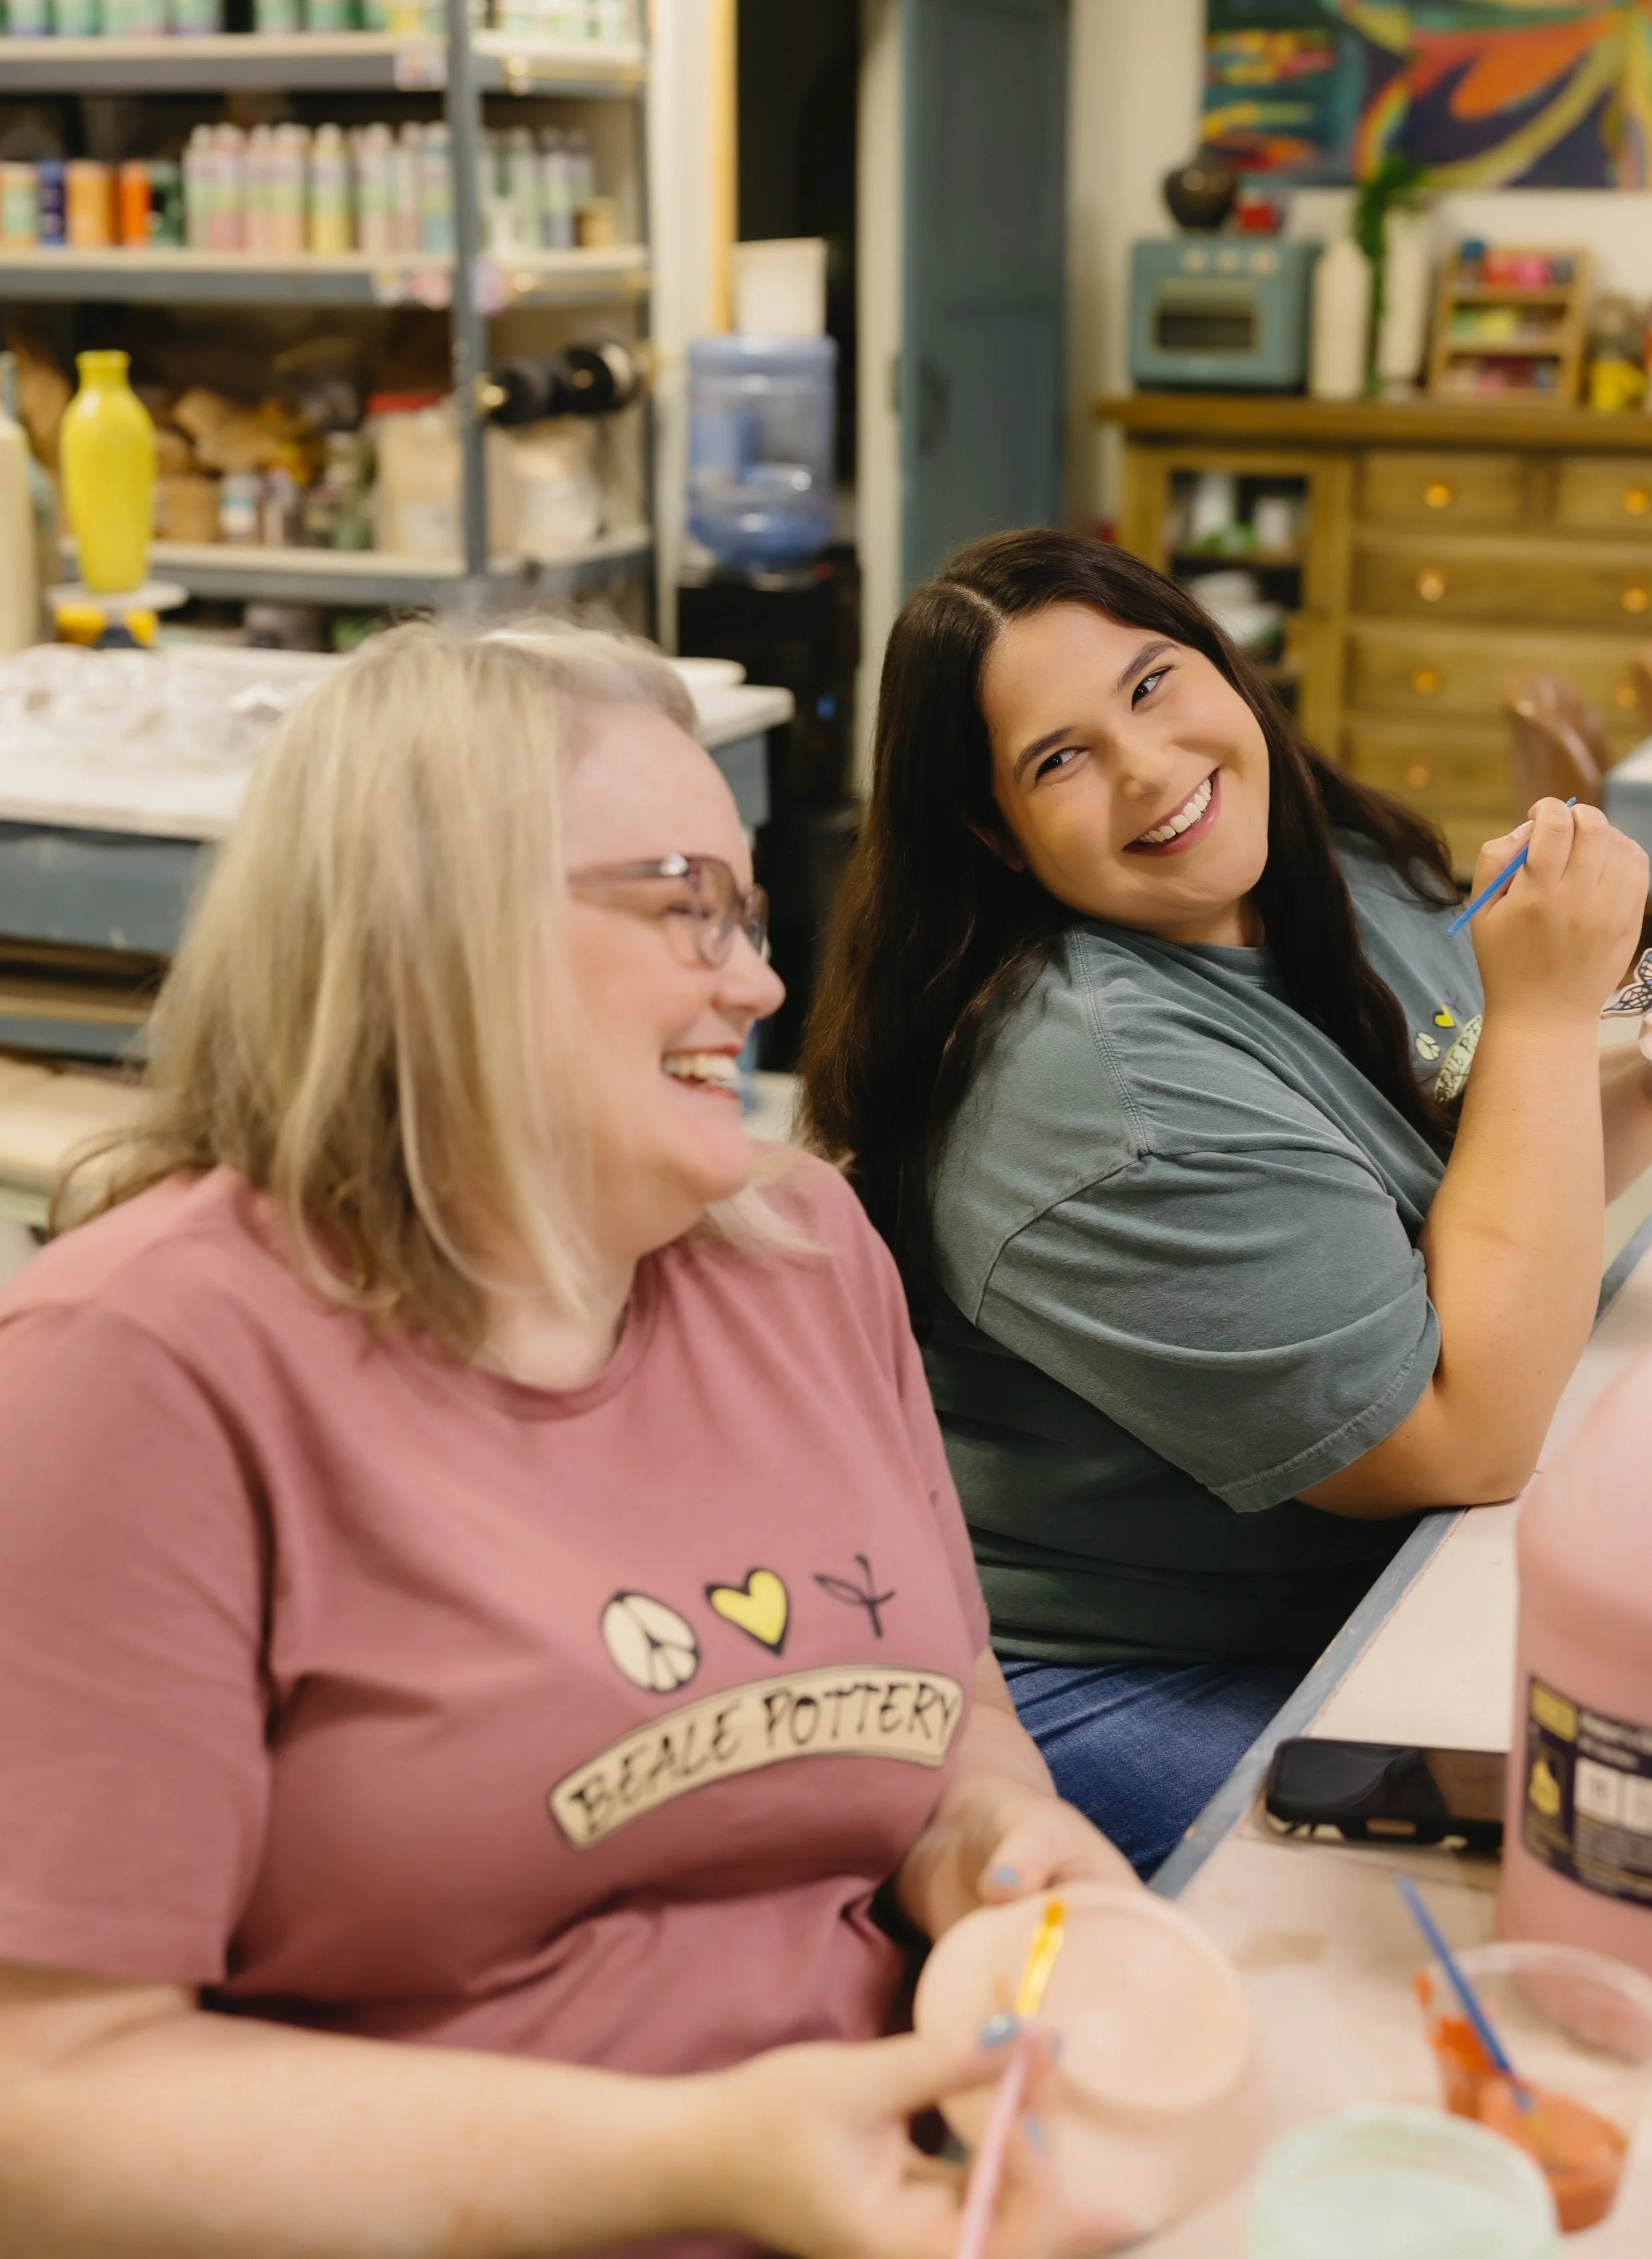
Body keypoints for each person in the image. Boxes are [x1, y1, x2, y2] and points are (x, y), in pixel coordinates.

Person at [0, 623, 1137, 2259]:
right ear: (430, 923)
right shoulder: (142, 1369)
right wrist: (701, 2159)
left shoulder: (807, 1256)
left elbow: (948, 1699)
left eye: (748, 915)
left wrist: (989, 1841)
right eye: (685, 902)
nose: (755, 982)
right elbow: (49, 2107)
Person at [800, 528, 1652, 1875]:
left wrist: (1646, 1083)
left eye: (1150, 686)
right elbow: (1457, 1437)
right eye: (1058, 759)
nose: (1149, 768)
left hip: (1366, 1582)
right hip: (1130, 1670)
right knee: (1565, 1871)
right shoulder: (1101, 1097)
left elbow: (1465, 1199)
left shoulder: (1317, 869)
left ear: (1220, 664)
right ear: (993, 834)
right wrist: (1545, 1014)